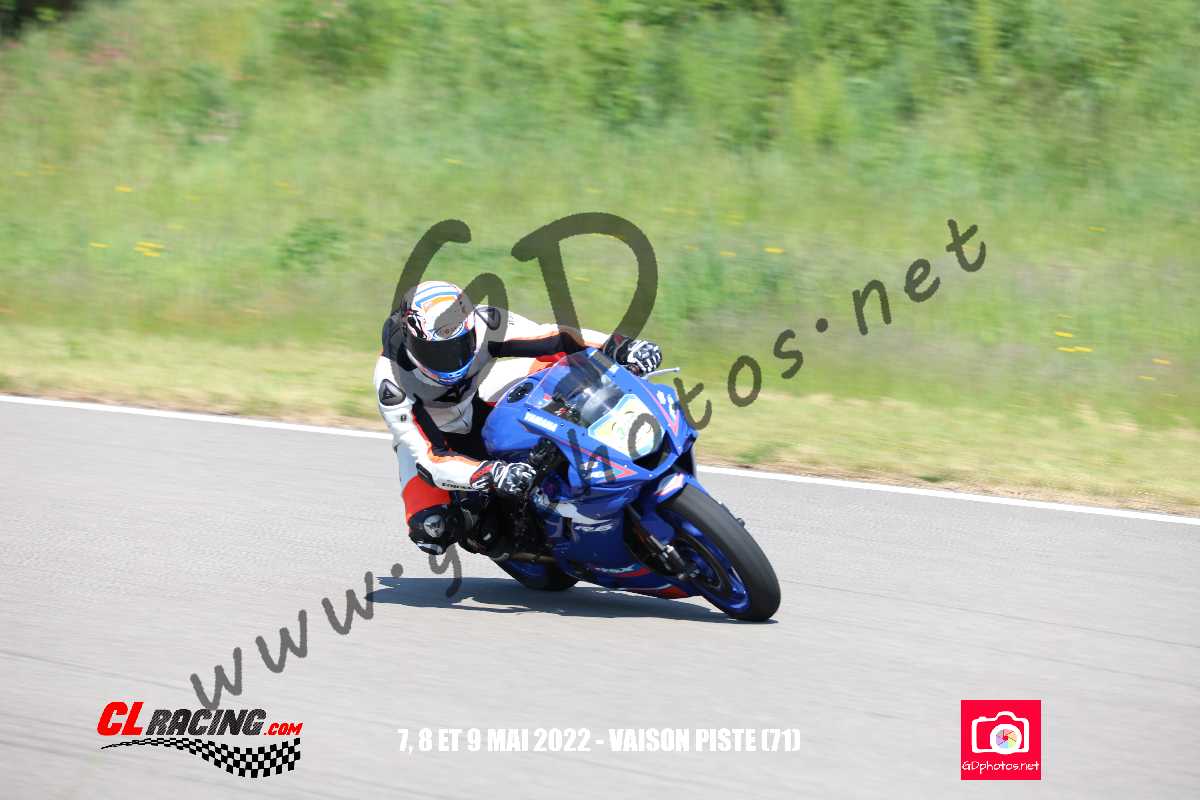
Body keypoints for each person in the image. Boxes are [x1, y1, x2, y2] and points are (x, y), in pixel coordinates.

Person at [374, 280, 662, 557]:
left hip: (480, 393)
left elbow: (555, 337)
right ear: (411, 340)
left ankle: (598, 452)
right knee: (431, 529)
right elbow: (430, 459)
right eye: (437, 351)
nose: (452, 358)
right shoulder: (392, 382)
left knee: (563, 368)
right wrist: (490, 473)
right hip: (432, 435)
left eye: (460, 344)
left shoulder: (486, 323)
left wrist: (621, 347)